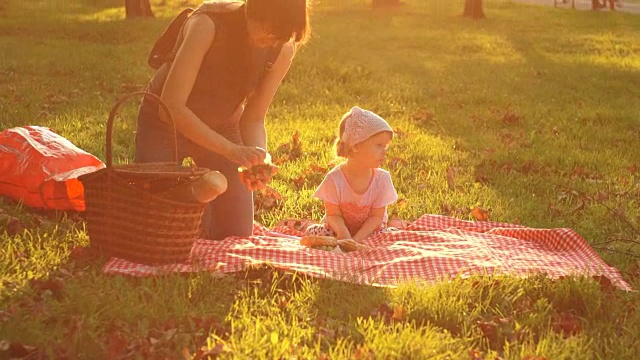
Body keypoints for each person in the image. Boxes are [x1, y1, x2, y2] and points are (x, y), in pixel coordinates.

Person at [134, 0, 311, 239]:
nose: (274, 40)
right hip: (164, 125)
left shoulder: (282, 47)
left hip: (223, 125)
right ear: (253, 9)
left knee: (235, 233)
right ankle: (191, 195)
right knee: (152, 229)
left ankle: (195, 201)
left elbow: (254, 118)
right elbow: (172, 108)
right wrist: (231, 151)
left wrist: (259, 159)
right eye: (270, 29)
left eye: (282, 34)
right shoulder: (208, 24)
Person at [304, 106, 398, 243]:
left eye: (385, 146)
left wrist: (356, 240)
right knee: (315, 232)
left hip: (371, 231)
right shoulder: (334, 179)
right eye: (379, 145)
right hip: (339, 230)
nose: (384, 151)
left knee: (390, 236)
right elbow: (333, 214)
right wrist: (344, 235)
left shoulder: (382, 179)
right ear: (355, 146)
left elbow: (376, 218)